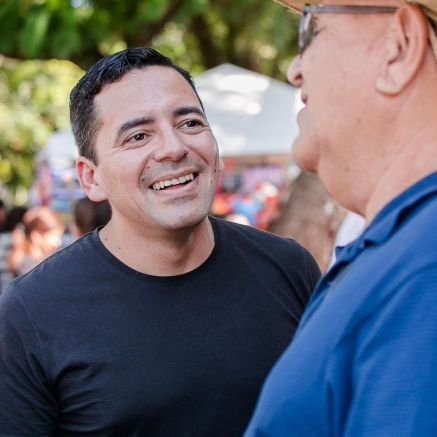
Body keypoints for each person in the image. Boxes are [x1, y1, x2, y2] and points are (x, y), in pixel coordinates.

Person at [0, 47, 320, 436]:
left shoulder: (289, 268)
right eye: (138, 136)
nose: (173, 147)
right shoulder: (30, 313)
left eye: (189, 123)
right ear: (90, 178)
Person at [245, 0, 437, 435]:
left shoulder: (426, 266)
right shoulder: (405, 247)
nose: (295, 69)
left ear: (400, 47)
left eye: (313, 29)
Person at [7, 206, 64, 277]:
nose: (58, 242)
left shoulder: (45, 259)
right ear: (36, 235)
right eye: (54, 236)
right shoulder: (28, 266)